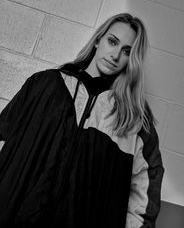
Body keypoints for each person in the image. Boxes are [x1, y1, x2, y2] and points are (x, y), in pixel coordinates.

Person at [0, 13, 164, 228]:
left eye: (126, 51)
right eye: (112, 41)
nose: (115, 55)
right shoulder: (45, 85)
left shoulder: (133, 120)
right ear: (98, 40)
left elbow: (143, 194)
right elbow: (3, 137)